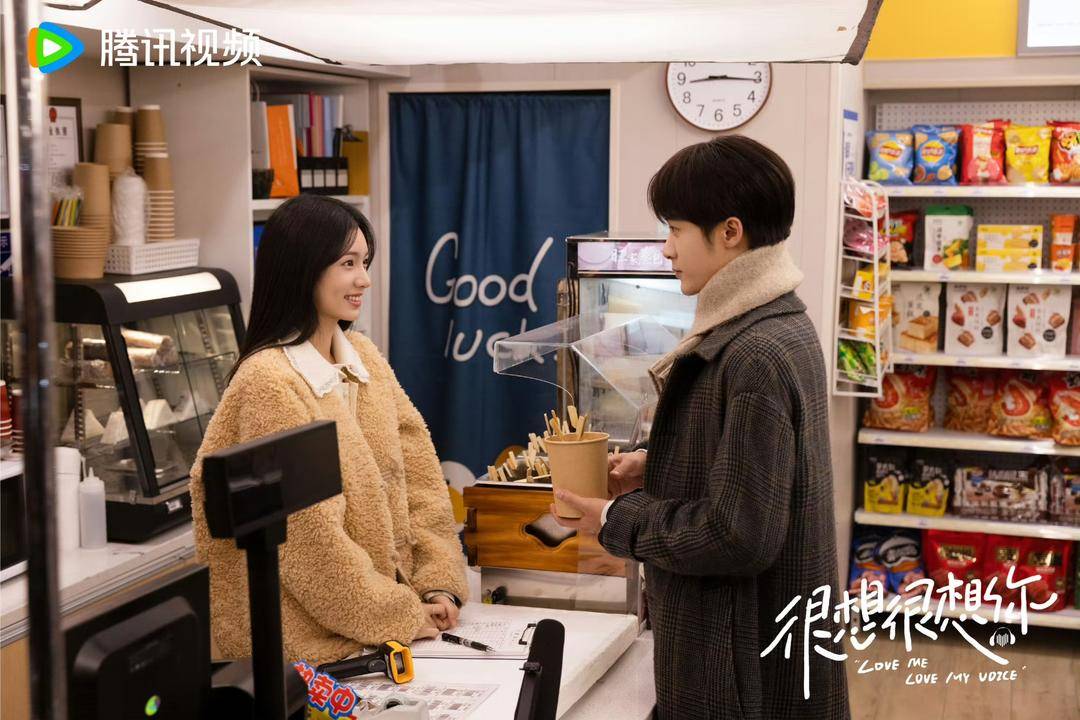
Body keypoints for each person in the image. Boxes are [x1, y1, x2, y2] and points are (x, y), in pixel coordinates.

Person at [553, 136, 850, 719]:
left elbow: (737, 536)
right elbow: (760, 479)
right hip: (761, 653)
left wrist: (613, 517)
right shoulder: (778, 323)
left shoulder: (754, 350)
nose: (666, 250)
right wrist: (658, 467)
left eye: (675, 230)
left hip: (741, 673)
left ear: (730, 232)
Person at [190, 195, 467, 664]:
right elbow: (308, 543)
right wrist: (396, 614)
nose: (365, 279)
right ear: (304, 268)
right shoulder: (269, 382)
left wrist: (438, 583)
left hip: (381, 630)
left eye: (365, 262)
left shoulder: (365, 357)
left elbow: (420, 481)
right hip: (305, 650)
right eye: (348, 263)